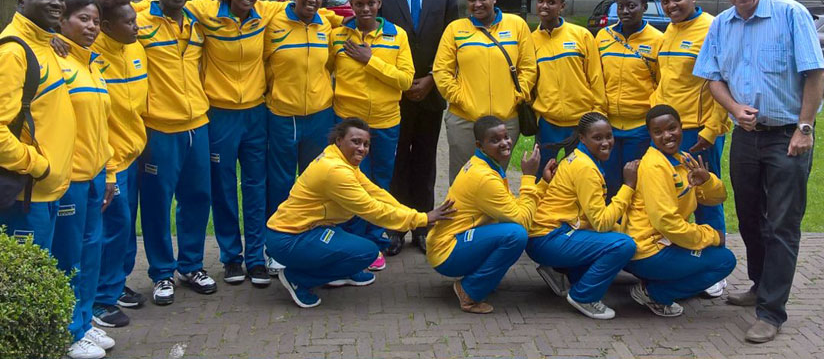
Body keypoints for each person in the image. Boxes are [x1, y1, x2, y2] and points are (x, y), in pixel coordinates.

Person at [693, 0, 824, 343]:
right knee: (750, 217)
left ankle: (772, 311)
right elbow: (713, 77)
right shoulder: (721, 25)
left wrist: (805, 127)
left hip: (788, 136)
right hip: (746, 137)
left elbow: (815, 74)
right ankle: (758, 285)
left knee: (782, 224)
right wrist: (734, 108)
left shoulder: (790, 14)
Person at [265, 117, 455, 308]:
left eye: (366, 144)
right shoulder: (335, 170)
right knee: (367, 253)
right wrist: (422, 219)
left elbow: (376, 193)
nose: (362, 149)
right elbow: (372, 210)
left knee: (356, 248)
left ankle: (342, 272)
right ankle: (298, 278)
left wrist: (416, 214)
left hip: (310, 229)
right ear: (339, 140)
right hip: (289, 238)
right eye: (355, 142)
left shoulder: (341, 161)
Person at [185, 0, 271, 288]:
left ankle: (256, 258)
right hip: (220, 116)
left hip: (255, 114)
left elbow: (308, 8)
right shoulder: (206, 13)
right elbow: (157, 4)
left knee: (254, 187)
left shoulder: (265, 14)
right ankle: (232, 258)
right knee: (222, 189)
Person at [375, 0, 459, 256]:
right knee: (396, 161)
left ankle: (423, 225)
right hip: (394, 91)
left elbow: (452, 41)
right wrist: (401, 80)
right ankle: (396, 225)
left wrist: (432, 81)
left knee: (425, 161)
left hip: (431, 89)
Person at [137, 0, 215, 305]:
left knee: (197, 198)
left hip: (197, 124)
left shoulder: (197, 26)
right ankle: (161, 273)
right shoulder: (140, 24)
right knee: (157, 204)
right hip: (159, 129)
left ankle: (191, 265)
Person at [653, 0, 732, 298]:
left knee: (705, 196)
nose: (671, 5)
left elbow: (725, 84)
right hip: (669, 132)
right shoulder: (670, 30)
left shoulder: (714, 29)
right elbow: (667, 80)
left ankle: (714, 268)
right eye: (666, 0)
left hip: (699, 133)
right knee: (678, 196)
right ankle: (688, 257)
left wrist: (711, 131)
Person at [426, 116, 552, 314]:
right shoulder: (484, 177)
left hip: (454, 241)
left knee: (511, 231)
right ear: (479, 144)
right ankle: (468, 292)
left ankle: (479, 279)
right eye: (495, 140)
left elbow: (512, 208)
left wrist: (542, 184)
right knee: (515, 235)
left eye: (506, 137)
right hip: (447, 252)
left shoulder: (486, 164)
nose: (504, 143)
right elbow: (521, 221)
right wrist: (528, 176)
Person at [330, 0, 415, 269]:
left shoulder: (397, 35)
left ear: (379, 3)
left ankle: (378, 235)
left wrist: (371, 60)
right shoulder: (338, 36)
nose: (365, 9)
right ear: (351, 6)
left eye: (370, 3)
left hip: (385, 122)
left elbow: (405, 80)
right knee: (352, 182)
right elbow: (326, 69)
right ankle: (355, 240)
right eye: (359, 4)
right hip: (348, 123)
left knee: (380, 181)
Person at [623, 105, 736, 318]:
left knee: (714, 257)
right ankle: (653, 293)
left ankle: (657, 280)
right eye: (658, 132)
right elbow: (666, 221)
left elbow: (717, 198)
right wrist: (712, 236)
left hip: (665, 241)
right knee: (724, 260)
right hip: (647, 249)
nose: (667, 136)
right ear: (650, 135)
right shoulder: (655, 166)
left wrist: (707, 180)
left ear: (681, 128)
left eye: (672, 128)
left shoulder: (684, 159)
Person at [50, 0, 116, 359]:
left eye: (94, 20)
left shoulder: (93, 65)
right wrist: (48, 38)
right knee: (69, 256)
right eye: (82, 19)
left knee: (91, 255)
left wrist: (108, 173)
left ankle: (84, 319)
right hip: (69, 178)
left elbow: (100, 127)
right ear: (62, 22)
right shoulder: (57, 61)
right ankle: (69, 330)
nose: (91, 27)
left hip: (94, 176)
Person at [526, 112, 637, 320]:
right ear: (582, 138)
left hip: (548, 234)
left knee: (616, 234)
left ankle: (559, 271)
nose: (606, 143)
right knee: (624, 245)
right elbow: (601, 223)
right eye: (598, 138)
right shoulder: (585, 167)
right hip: (548, 238)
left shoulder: (581, 158)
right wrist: (628, 187)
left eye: (609, 136)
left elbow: (587, 216)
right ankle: (584, 296)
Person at [263, 0, 336, 273]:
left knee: (314, 184)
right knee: (280, 185)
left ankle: (309, 243)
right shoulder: (274, 22)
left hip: (320, 116)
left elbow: (329, 64)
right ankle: (274, 248)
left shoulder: (326, 26)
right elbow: (262, 62)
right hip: (283, 115)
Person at [433, 0, 537, 181]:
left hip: (505, 119)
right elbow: (441, 71)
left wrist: (517, 95)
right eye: (472, 0)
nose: (478, 4)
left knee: (495, 178)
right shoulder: (455, 29)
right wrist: (461, 99)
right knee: (463, 179)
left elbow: (528, 66)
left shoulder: (516, 25)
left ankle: (492, 215)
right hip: (465, 120)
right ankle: (461, 215)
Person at [0, 0, 76, 250]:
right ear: (21, 1)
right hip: (26, 194)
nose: (56, 3)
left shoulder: (44, 43)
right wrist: (37, 165)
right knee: (26, 286)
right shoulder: (13, 53)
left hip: (47, 190)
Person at [90, 0, 148, 328]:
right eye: (128, 23)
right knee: (114, 227)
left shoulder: (136, 47)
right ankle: (100, 299)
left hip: (133, 152)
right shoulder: (89, 54)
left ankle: (116, 283)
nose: (136, 27)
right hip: (109, 160)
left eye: (136, 20)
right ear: (106, 26)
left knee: (126, 227)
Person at [596, 0, 663, 197]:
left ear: (644, 7)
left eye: (631, 6)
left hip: (640, 127)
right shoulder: (602, 37)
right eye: (621, 6)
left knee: (636, 180)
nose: (625, 11)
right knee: (608, 180)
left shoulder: (657, 40)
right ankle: (611, 223)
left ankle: (635, 227)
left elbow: (662, 83)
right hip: (608, 126)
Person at [532, 0, 606, 171]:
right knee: (543, 174)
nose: (544, 6)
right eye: (540, 1)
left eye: (551, 2)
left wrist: (597, 114)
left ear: (562, 6)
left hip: (581, 122)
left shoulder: (581, 35)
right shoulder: (529, 41)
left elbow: (596, 77)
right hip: (548, 123)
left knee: (579, 174)